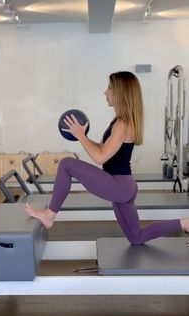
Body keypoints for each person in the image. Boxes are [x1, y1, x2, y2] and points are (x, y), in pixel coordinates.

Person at [25, 71, 189, 244]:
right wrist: (84, 135)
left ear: (121, 92)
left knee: (66, 164)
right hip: (124, 186)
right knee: (136, 238)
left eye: (110, 88)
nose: (105, 92)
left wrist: (80, 135)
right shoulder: (119, 121)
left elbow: (99, 158)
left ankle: (50, 215)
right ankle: (184, 223)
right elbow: (103, 149)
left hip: (118, 185)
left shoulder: (123, 124)